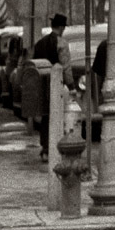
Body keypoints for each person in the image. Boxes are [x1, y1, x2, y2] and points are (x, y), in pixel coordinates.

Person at [31, 12, 74, 160]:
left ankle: (45, 148)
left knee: (45, 117)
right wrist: (72, 86)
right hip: (56, 85)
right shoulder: (61, 43)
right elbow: (66, 67)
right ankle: (55, 148)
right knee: (57, 116)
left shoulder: (39, 44)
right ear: (61, 28)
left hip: (41, 85)